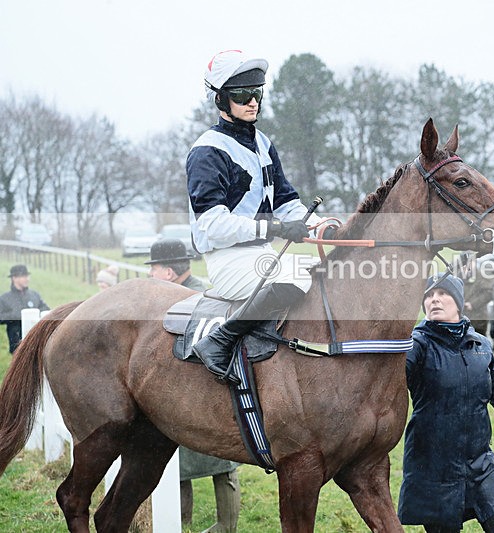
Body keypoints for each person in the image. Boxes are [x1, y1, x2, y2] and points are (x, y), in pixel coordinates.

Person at [186, 49, 334, 383]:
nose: (252, 102)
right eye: (242, 95)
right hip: (227, 260)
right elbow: (212, 224)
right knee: (296, 278)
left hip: (261, 254)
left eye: (257, 92)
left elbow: (286, 202)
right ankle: (219, 341)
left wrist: (322, 227)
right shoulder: (207, 151)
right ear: (220, 99)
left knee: (326, 274)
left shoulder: (263, 144)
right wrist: (277, 228)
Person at [399, 275, 494, 533]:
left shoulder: (479, 344)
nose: (434, 300)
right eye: (429, 295)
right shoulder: (416, 345)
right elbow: (388, 378)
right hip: (434, 469)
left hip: (479, 463)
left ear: (459, 302)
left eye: (442, 293)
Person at [146, 238, 242, 532]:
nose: (150, 274)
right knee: (187, 463)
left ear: (169, 272)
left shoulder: (191, 298)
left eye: (154, 268)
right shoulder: (195, 292)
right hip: (195, 389)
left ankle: (221, 525)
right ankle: (187, 521)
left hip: (206, 389)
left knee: (220, 464)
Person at [0, 264, 50, 353]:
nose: (27, 279)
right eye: (23, 276)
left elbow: (46, 309)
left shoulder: (34, 295)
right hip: (17, 344)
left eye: (27, 276)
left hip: (37, 341)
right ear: (14, 278)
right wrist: (16, 316)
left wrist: (35, 314)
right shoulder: (5, 298)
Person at [457, 252, 494, 336]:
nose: (467, 265)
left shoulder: (482, 276)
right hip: (460, 319)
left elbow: (489, 293)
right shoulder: (456, 277)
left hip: (478, 319)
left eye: (470, 262)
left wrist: (473, 304)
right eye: (464, 263)